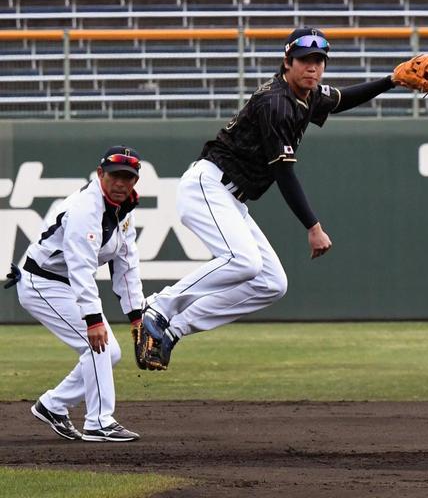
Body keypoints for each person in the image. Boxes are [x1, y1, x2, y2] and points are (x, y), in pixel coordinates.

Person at [142, 27, 399, 369]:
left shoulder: (304, 96)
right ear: (287, 62)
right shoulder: (276, 101)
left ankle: (174, 330)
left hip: (232, 197)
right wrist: (313, 226)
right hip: (209, 186)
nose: (313, 68)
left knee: (271, 284)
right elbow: (283, 173)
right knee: (244, 261)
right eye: (306, 60)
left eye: (319, 61)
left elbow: (341, 100)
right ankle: (160, 306)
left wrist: (392, 79)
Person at [16, 145, 144, 442]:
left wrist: (136, 316)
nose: (121, 183)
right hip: (43, 283)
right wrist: (93, 320)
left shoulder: (123, 209)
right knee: (97, 344)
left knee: (109, 351)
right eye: (115, 176)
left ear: (136, 180)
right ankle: (99, 421)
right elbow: (81, 269)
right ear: (101, 174)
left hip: (63, 284)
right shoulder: (86, 209)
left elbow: (127, 264)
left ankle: (53, 405)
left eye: (128, 177)